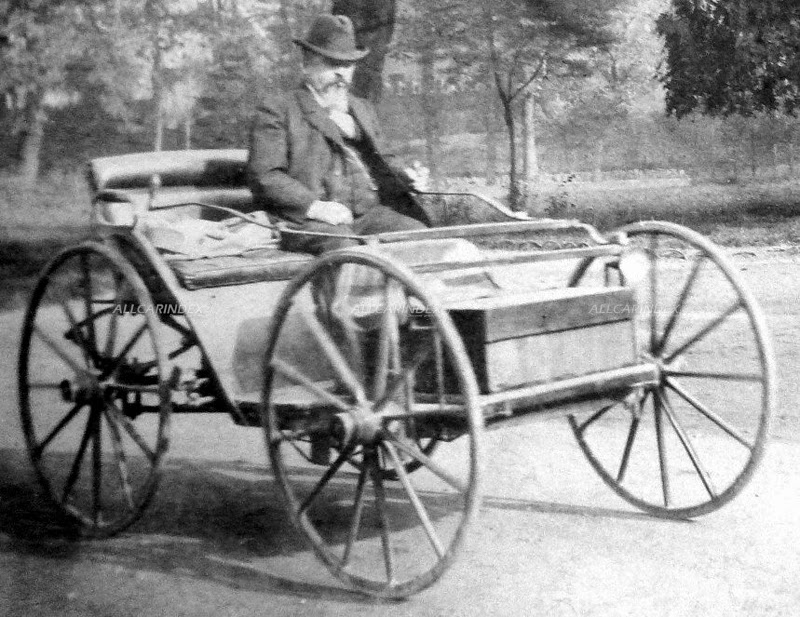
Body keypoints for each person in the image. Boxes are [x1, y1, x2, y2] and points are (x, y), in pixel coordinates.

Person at [247, 13, 430, 254]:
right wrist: (315, 207)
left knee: (418, 235)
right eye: (332, 64)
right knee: (346, 248)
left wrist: (407, 176)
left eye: (348, 65)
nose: (342, 74)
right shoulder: (279, 109)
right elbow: (266, 175)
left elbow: (385, 159)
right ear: (307, 65)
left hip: (366, 217)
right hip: (306, 220)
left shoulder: (361, 109)